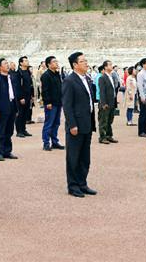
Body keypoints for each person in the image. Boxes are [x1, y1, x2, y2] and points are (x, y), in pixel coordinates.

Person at [63, 52, 97, 198]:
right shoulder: (70, 81)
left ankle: (82, 183)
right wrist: (72, 125)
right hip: (76, 125)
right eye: (83, 61)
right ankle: (73, 186)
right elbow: (67, 105)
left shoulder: (87, 79)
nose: (86, 63)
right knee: (73, 156)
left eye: (86, 60)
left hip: (87, 123)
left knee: (85, 156)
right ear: (75, 65)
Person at [0, 58, 20, 161]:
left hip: (11, 106)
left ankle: (7, 151)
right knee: (0, 131)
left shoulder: (11, 77)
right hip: (2, 108)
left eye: (7, 63)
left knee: (9, 130)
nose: (7, 65)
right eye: (5, 63)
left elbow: (14, 93)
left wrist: (16, 108)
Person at [40, 56, 64, 151]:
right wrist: (48, 102)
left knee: (56, 123)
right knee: (49, 123)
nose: (56, 63)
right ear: (49, 64)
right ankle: (46, 143)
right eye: (54, 62)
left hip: (58, 102)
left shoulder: (57, 74)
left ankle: (54, 141)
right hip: (51, 104)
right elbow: (45, 91)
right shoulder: (46, 76)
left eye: (56, 61)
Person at [98, 60, 118, 144]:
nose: (111, 66)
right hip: (105, 103)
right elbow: (102, 92)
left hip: (112, 102)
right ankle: (102, 137)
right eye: (109, 64)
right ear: (105, 67)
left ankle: (109, 135)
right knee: (103, 121)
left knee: (110, 120)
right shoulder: (102, 78)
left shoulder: (111, 77)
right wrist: (103, 103)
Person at [15, 56, 34, 138]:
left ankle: (23, 129)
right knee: (20, 114)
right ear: (21, 63)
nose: (27, 62)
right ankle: (19, 131)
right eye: (25, 61)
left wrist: (32, 96)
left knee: (25, 113)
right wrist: (20, 97)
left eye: (27, 60)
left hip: (28, 96)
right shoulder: (18, 73)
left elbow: (30, 84)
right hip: (21, 97)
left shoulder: (28, 72)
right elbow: (17, 86)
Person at [136, 58, 146, 138]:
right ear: (143, 64)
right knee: (143, 114)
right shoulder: (141, 74)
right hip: (144, 96)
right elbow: (140, 86)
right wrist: (142, 96)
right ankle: (141, 131)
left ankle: (145, 130)